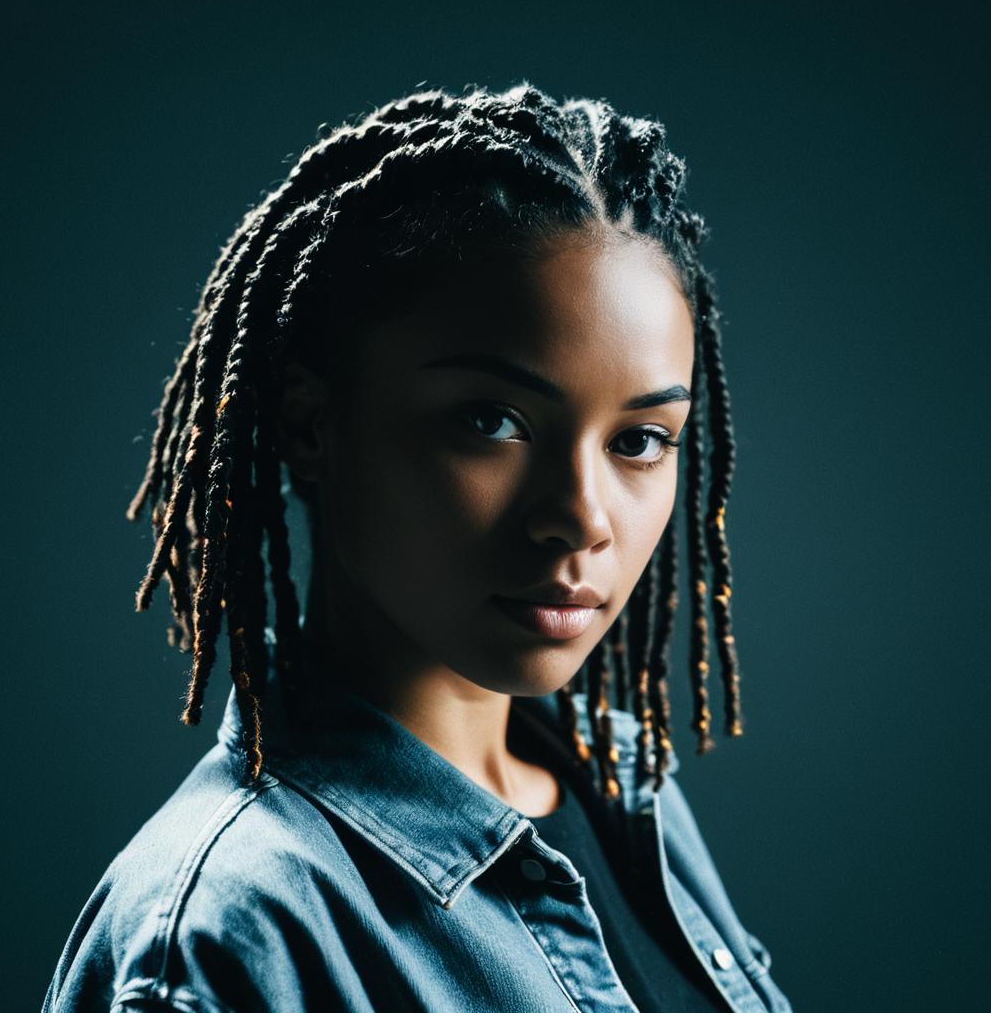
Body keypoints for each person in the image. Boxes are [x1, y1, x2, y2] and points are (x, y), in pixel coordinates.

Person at [42, 82, 793, 1012]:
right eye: (492, 420)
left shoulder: (624, 789)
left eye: (639, 441)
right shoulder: (233, 931)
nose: (581, 518)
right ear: (313, 426)